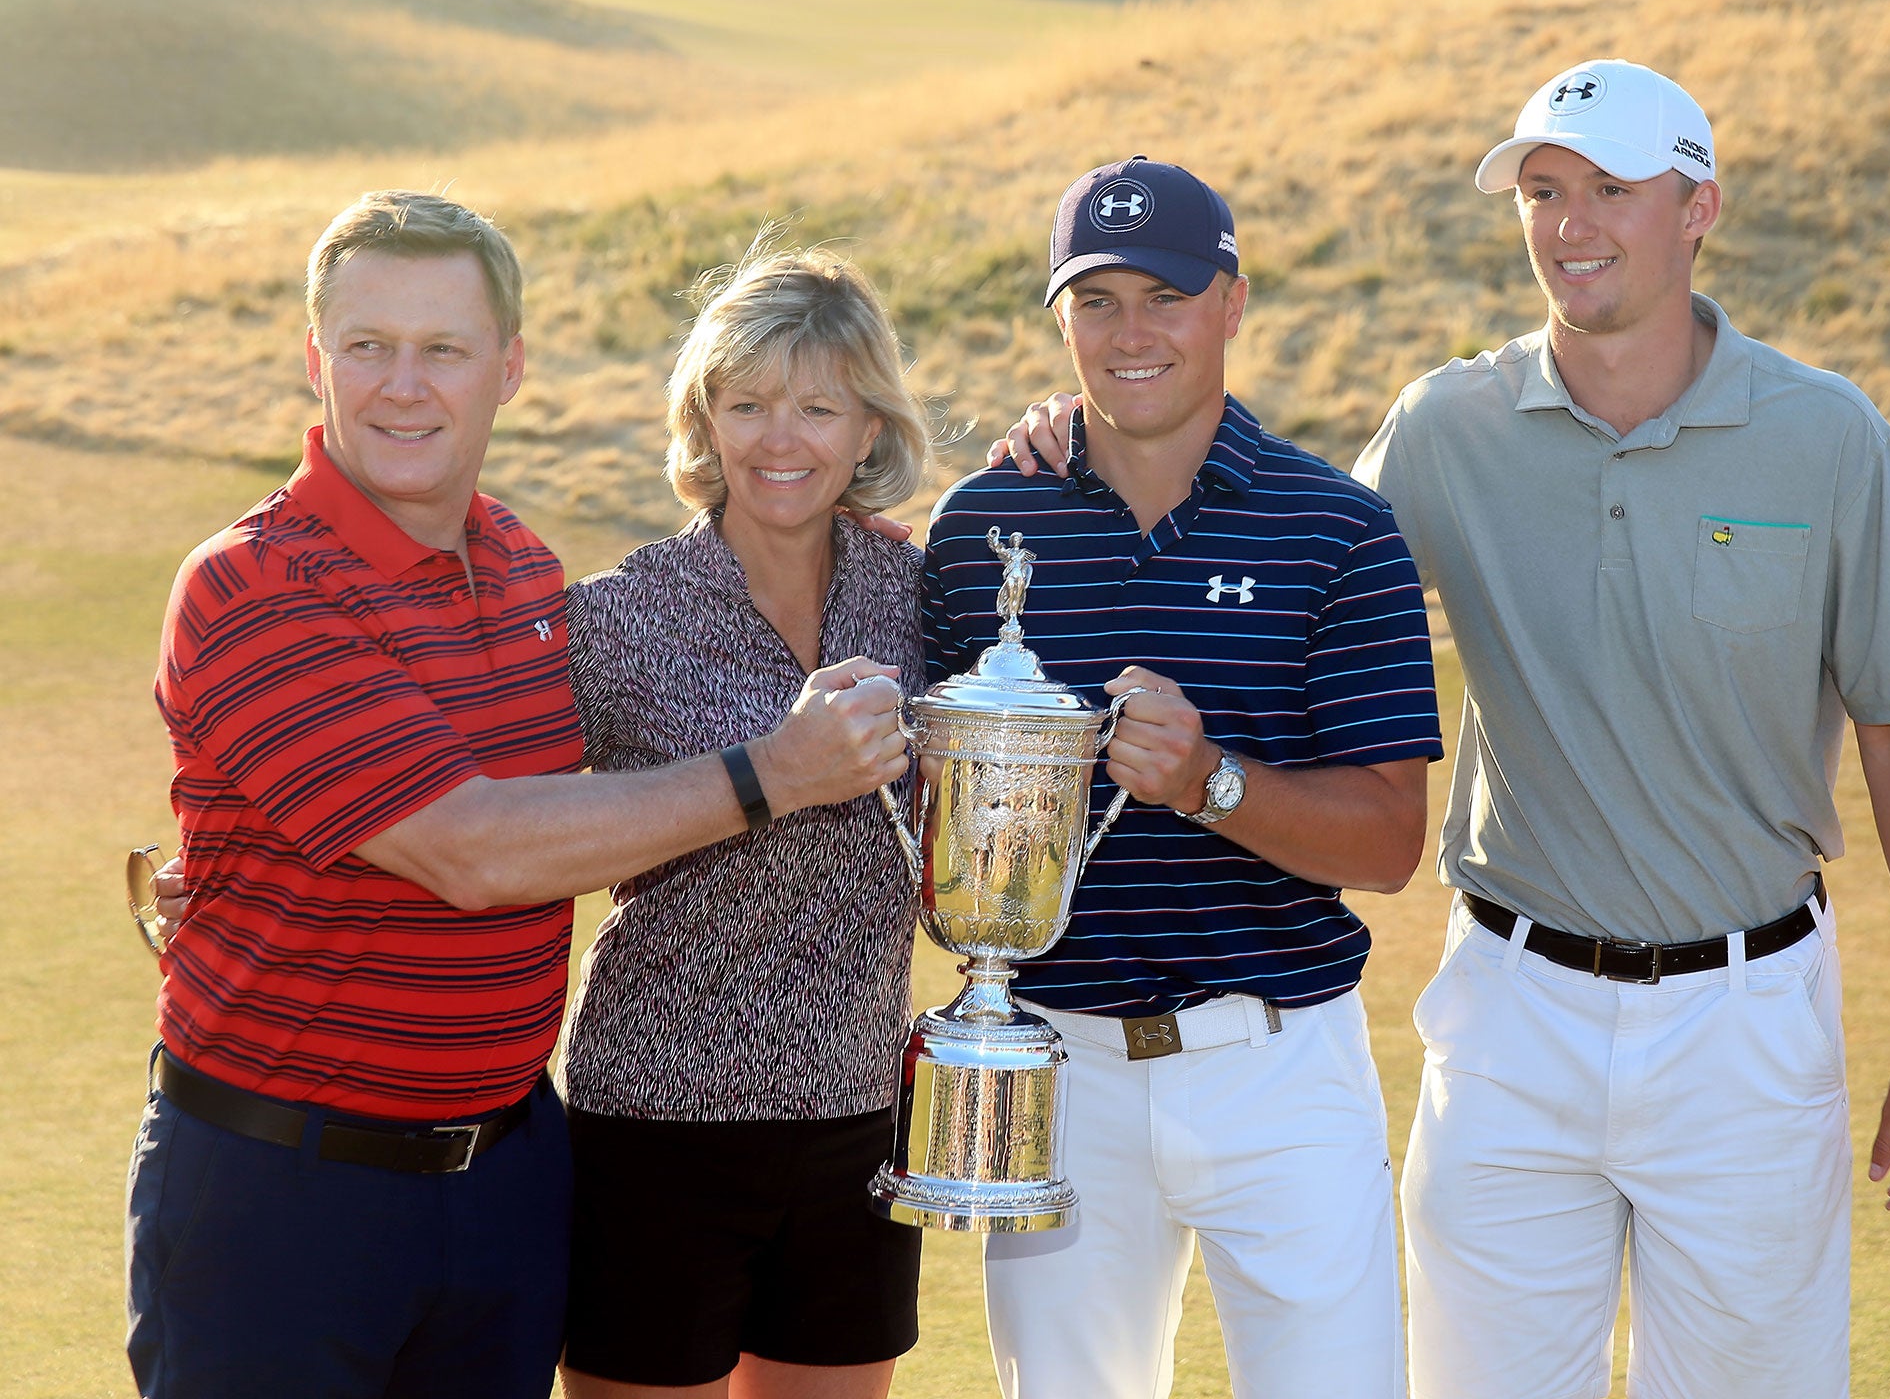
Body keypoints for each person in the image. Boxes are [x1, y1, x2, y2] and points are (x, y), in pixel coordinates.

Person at [998, 63, 1890, 1399]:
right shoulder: (1448, 425)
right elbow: (1285, 566)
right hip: (1514, 1017)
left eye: (1607, 191)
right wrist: (1100, 429)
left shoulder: (1827, 436)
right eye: (1540, 192)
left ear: (1698, 208)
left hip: (1748, 1028)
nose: (1567, 224)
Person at [129, 192, 908, 1399]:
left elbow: (569, 810)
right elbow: (472, 850)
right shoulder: (254, 583)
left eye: (442, 349)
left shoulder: (528, 573)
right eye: (367, 346)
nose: (403, 385)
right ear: (313, 360)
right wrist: (776, 773)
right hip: (285, 1187)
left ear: (508, 368)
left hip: (505, 1178)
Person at [926, 157, 1442, 1399]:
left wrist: (1210, 780)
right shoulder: (987, 524)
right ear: (1058, 322)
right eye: (1093, 301)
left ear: (1231, 302)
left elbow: (1385, 844)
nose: (1130, 332)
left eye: (1163, 294)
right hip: (1054, 1064)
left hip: (1276, 1065)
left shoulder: (1336, 528)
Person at [556, 249, 931, 1399]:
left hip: (860, 1117)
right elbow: (485, 820)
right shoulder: (613, 619)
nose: (782, 440)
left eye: (818, 406)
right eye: (748, 403)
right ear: (704, 418)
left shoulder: (923, 600)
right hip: (654, 1120)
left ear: (868, 429)